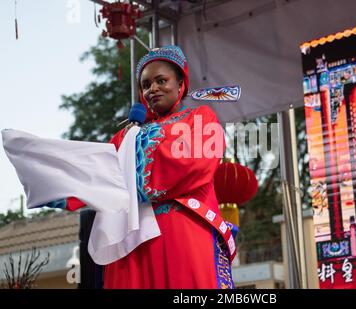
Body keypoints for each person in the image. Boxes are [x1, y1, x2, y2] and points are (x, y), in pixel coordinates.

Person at [40, 45, 236, 289]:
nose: (152, 89)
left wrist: (129, 173)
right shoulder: (127, 135)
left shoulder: (200, 118)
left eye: (161, 80)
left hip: (183, 231)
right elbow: (98, 174)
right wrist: (55, 184)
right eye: (146, 85)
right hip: (132, 240)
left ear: (181, 84)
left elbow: (193, 164)